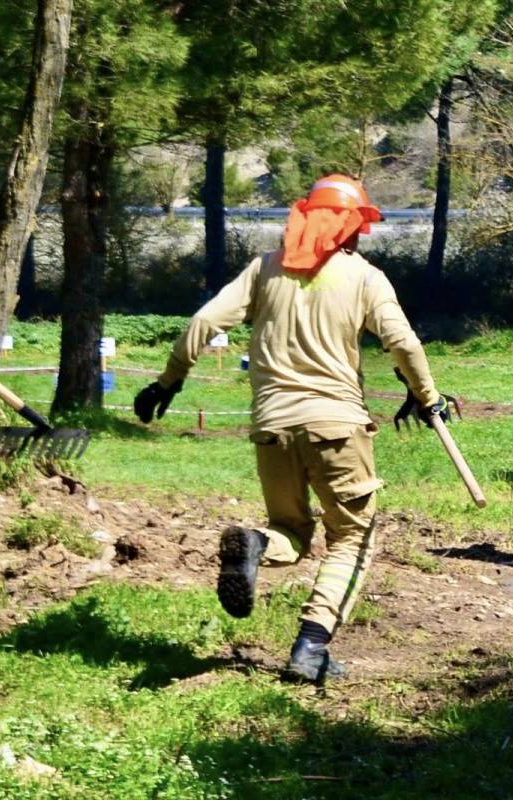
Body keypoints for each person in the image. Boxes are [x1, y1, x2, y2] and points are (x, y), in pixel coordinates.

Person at [134, 174, 450, 682]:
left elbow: (203, 323)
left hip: (271, 428)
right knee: (352, 537)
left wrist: (168, 381)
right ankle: (310, 647)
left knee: (289, 531)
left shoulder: (264, 269)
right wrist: (428, 396)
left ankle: (256, 543)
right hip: (337, 427)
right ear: (352, 226)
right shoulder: (366, 277)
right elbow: (405, 345)